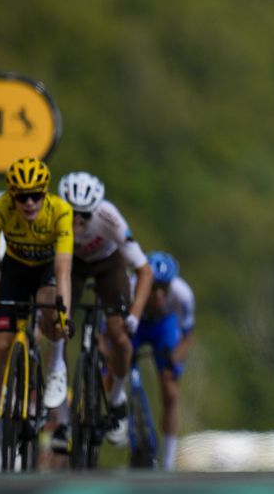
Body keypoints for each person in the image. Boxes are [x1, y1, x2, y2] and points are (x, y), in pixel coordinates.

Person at [0, 157, 73, 471]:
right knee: (1, 347)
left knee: (51, 312)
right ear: (11, 195)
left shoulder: (60, 211)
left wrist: (63, 312)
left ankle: (55, 367)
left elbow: (63, 267)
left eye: (36, 195)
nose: (29, 203)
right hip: (14, 271)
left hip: (46, 271)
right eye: (22, 196)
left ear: (45, 193)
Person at [53, 171, 153, 448]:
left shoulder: (109, 217)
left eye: (84, 215)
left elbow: (144, 270)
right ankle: (62, 418)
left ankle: (117, 400)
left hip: (108, 265)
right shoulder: (53, 215)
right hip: (70, 264)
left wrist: (135, 314)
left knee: (118, 334)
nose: (77, 221)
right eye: (71, 213)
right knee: (58, 326)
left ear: (95, 210)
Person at [133, 251, 194, 471]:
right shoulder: (131, 287)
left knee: (170, 391)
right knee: (114, 362)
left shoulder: (182, 294)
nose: (159, 295)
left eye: (164, 288)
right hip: (137, 324)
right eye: (153, 287)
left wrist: (172, 361)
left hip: (163, 328)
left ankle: (168, 459)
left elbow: (187, 337)